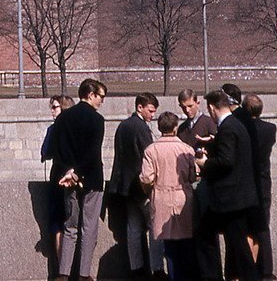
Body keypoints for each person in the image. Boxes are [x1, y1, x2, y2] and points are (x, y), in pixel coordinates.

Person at [196, 89, 259, 281]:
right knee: (235, 243)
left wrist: (204, 163)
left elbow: (226, 161)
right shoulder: (235, 125)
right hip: (236, 197)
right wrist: (214, 145)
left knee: (233, 244)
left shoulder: (228, 128)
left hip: (229, 199)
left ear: (212, 108)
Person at [51, 78, 108, 281]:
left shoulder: (63, 119)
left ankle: (63, 273)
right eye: (101, 96)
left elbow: (57, 150)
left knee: (70, 226)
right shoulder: (97, 120)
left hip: (68, 179)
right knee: (89, 228)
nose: (102, 101)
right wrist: (79, 173)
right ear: (91, 95)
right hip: (91, 179)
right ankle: (84, 274)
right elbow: (93, 153)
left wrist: (70, 172)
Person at [109, 93, 163, 278]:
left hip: (125, 187)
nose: (152, 115)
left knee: (133, 228)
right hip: (142, 186)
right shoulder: (141, 128)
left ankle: (136, 267)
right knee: (154, 227)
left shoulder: (123, 126)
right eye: (150, 111)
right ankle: (157, 268)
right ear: (140, 107)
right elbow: (149, 155)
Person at [140, 112, 198, 281]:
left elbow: (147, 177)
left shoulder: (151, 150)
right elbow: (193, 176)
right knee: (185, 241)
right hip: (182, 195)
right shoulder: (186, 149)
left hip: (161, 196)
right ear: (175, 127)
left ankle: (173, 276)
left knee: (168, 243)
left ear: (159, 127)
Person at [244, 94, 277, 281]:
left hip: (246, 183)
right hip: (263, 182)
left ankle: (250, 266)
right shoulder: (270, 129)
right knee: (263, 226)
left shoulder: (241, 129)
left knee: (247, 228)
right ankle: (266, 269)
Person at [42, 95, 76, 275]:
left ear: (63, 108)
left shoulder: (54, 129)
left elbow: (45, 152)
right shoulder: (78, 129)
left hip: (58, 176)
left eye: (55, 107)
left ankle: (61, 270)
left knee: (57, 223)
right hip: (76, 176)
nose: (52, 111)